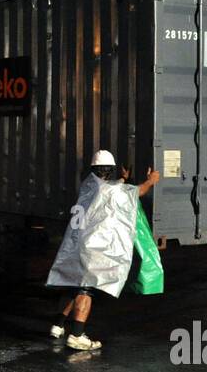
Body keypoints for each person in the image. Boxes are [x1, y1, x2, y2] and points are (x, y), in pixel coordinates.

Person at [48, 150, 160, 351]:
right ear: (109, 171)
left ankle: (58, 325)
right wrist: (150, 181)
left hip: (75, 244)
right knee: (86, 289)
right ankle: (77, 335)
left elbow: (112, 189)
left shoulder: (88, 185)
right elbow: (134, 193)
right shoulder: (109, 190)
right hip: (92, 246)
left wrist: (124, 178)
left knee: (74, 285)